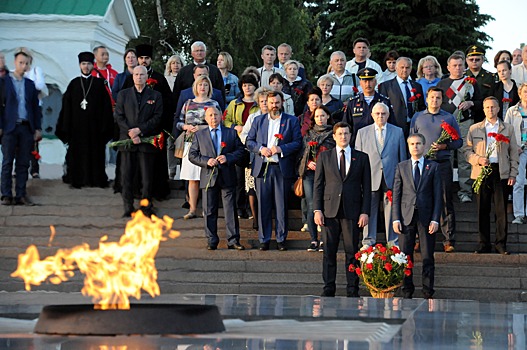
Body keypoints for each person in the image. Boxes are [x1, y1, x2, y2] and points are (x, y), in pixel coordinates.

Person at [314, 122, 371, 297]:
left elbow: (367, 187)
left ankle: (352, 288)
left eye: (346, 133)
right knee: (329, 252)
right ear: (334, 136)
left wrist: (365, 211)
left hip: (352, 211)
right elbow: (318, 185)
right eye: (340, 134)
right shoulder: (324, 157)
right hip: (329, 211)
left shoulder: (361, 157)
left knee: (352, 251)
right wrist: (317, 210)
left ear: (350, 135)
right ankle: (329, 287)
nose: (343, 137)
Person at [246, 91, 302, 251]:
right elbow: (249, 141)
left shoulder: (291, 121)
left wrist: (280, 148)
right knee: (263, 205)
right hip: (262, 167)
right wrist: (260, 149)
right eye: (271, 103)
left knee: (281, 206)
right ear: (266, 104)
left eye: (277, 102)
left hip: (281, 168)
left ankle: (281, 238)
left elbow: (298, 142)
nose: (274, 105)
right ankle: (264, 239)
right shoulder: (258, 120)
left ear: (282, 102)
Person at [411, 87, 463, 253]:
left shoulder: (448, 118)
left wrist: (444, 145)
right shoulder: (417, 117)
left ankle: (448, 239)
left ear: (442, 100)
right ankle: (419, 238)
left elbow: (459, 141)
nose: (435, 100)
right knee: (421, 200)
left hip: (442, 163)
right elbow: (411, 139)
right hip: (422, 164)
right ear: (427, 98)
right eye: (432, 97)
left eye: (438, 98)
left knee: (446, 200)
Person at [465, 97, 518, 255]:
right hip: (481, 171)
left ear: (498, 108)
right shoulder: (475, 129)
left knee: (501, 210)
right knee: (482, 209)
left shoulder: (507, 128)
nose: (490, 110)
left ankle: (500, 243)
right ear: (483, 109)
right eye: (487, 107)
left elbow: (513, 152)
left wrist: (513, 173)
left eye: (493, 107)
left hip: (500, 172)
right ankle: (483, 243)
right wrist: (478, 160)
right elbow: (466, 151)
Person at [392, 133, 442, 299]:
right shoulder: (401, 167)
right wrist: (396, 218)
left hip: (427, 218)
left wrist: (436, 218)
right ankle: (407, 290)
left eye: (419, 143)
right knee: (405, 256)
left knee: (427, 255)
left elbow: (437, 195)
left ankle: (428, 290)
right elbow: (397, 195)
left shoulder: (433, 167)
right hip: (406, 217)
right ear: (408, 146)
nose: (415, 146)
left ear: (424, 145)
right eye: (412, 144)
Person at [189, 106, 246, 250]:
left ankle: (233, 240)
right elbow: (192, 155)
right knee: (209, 210)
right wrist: (206, 161)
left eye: (216, 115)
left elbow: (240, 151)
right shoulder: (199, 135)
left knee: (230, 209)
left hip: (227, 175)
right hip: (208, 177)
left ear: (221, 116)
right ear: (206, 118)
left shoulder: (231, 133)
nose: (213, 118)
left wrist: (228, 157)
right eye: (210, 115)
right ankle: (211, 240)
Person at [55, 51, 113, 189]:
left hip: (95, 129)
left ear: (93, 65)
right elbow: (66, 108)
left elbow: (106, 107)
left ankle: (95, 179)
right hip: (77, 128)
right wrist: (66, 127)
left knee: (96, 153)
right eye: (83, 64)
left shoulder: (99, 84)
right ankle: (77, 179)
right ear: (79, 65)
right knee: (77, 154)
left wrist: (105, 127)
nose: (86, 66)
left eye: (88, 64)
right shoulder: (74, 84)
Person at [114, 65, 163, 217]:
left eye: (142, 74)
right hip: (128, 142)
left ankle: (146, 207)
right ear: (133, 76)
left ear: (146, 76)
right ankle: (128, 207)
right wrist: (131, 133)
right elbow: (118, 116)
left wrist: (139, 130)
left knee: (147, 178)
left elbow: (157, 117)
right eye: (136, 74)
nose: (139, 77)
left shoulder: (155, 95)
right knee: (127, 176)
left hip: (146, 142)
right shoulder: (123, 94)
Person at [355, 102, 406, 248]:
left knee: (391, 211)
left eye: (383, 113)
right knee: (369, 209)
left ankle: (393, 241)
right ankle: (368, 241)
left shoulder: (398, 132)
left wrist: (401, 179)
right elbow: (358, 159)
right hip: (369, 177)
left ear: (388, 115)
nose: (380, 116)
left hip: (391, 177)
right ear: (372, 115)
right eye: (377, 113)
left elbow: (402, 157)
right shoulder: (362, 132)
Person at [436, 52, 482, 203]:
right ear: (448, 67)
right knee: (447, 157)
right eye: (454, 65)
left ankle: (465, 191)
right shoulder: (442, 84)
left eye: (460, 65)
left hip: (465, 123)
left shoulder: (471, 82)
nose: (457, 68)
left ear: (464, 66)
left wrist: (472, 103)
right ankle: (446, 190)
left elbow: (481, 101)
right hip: (446, 125)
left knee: (464, 157)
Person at [0, 49, 42, 206]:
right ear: (14, 63)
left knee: (24, 162)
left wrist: (37, 127)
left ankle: (21, 194)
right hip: (9, 128)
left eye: (26, 63)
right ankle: (5, 194)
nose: (23, 66)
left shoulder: (30, 85)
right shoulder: (3, 82)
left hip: (26, 127)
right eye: (20, 63)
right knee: (7, 161)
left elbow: (35, 108)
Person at [175, 75, 221, 220]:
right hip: (190, 142)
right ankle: (192, 209)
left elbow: (220, 122)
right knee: (192, 178)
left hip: (208, 143)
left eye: (206, 85)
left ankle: (207, 209)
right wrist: (186, 126)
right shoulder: (188, 103)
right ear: (196, 86)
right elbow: (178, 122)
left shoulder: (214, 104)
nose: (203, 87)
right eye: (200, 85)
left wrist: (204, 127)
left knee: (206, 177)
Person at [298, 105, 335, 251]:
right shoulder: (308, 134)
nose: (320, 118)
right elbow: (300, 154)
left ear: (327, 117)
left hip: (328, 174)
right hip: (310, 174)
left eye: (323, 115)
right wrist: (308, 162)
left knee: (325, 207)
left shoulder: (333, 133)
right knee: (312, 205)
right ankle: (313, 239)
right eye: (317, 116)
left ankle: (324, 239)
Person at [223, 74, 259, 220]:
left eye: (250, 85)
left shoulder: (259, 104)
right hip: (237, 143)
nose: (247, 87)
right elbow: (225, 120)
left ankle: (252, 210)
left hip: (254, 143)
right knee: (238, 178)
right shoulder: (234, 104)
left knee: (251, 178)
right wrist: (234, 126)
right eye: (244, 85)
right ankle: (239, 208)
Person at [240, 87, 272, 230]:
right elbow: (244, 135)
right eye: (262, 101)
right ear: (258, 102)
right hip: (254, 156)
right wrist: (256, 145)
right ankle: (255, 218)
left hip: (271, 157)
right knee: (252, 188)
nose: (265, 103)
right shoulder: (253, 117)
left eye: (267, 101)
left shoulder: (277, 117)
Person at [342, 68, 394, 144]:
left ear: (375, 82)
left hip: (380, 142)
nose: (368, 84)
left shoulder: (384, 102)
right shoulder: (352, 103)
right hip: (358, 143)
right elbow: (346, 125)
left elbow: (391, 124)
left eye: (370, 80)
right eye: (365, 81)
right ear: (360, 83)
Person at [18, 47, 48, 179]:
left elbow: (40, 85)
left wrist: (26, 88)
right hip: (19, 111)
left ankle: (34, 168)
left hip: (34, 108)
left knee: (33, 139)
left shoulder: (36, 71)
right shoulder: (14, 73)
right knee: (17, 140)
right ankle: (17, 168)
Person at [378, 57, 425, 137]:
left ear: (411, 69)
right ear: (396, 68)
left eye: (407, 67)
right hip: (394, 126)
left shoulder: (417, 86)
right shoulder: (386, 86)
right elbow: (383, 108)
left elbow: (421, 107)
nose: (404, 70)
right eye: (402, 67)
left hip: (414, 127)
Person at [504, 83, 527, 224]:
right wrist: (513, 146)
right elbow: (506, 130)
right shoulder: (512, 111)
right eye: (525, 91)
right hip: (518, 149)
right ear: (520, 93)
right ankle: (519, 214)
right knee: (518, 182)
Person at [164, 54, 185, 179]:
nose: (175, 65)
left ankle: (183, 172)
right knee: (170, 143)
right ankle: (171, 170)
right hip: (170, 114)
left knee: (182, 143)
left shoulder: (184, 79)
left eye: (178, 63)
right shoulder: (165, 79)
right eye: (173, 63)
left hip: (182, 114)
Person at [465, 45, 495, 120]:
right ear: (466, 60)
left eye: (477, 59)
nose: (474, 62)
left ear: (483, 60)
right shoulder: (462, 76)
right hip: (466, 115)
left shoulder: (491, 77)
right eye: (471, 59)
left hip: (485, 115)